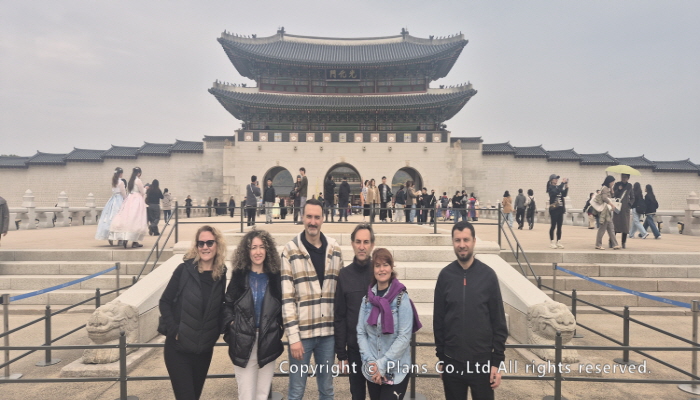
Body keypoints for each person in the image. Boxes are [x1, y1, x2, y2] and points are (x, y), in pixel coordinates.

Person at [434, 221, 508, 400]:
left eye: (466, 240)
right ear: (453, 242)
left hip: (482, 363)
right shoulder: (445, 276)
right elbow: (439, 321)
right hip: (452, 362)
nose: (462, 245)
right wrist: (442, 358)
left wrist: (497, 362)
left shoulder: (488, 275)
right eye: (457, 240)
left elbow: (498, 322)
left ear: (474, 241)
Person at [281, 199, 343, 400]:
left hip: (328, 334)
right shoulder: (290, 250)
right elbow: (287, 299)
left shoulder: (335, 249)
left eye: (317, 217)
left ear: (323, 218)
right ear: (302, 217)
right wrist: (293, 338)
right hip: (303, 335)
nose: (313, 222)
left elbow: (340, 294)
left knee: (327, 389)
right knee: (296, 391)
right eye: (309, 216)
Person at [159, 225, 227, 400]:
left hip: (203, 350)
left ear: (217, 245)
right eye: (200, 243)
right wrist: (175, 331)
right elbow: (165, 302)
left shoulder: (221, 273)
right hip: (178, 349)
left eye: (209, 243)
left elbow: (220, 306)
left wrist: (215, 333)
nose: (205, 247)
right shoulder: (184, 270)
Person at [223, 230, 283, 400]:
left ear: (268, 249)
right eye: (253, 247)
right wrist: (232, 325)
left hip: (268, 340)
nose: (258, 252)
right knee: (246, 394)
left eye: (261, 247)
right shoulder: (239, 276)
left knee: (263, 394)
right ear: (246, 251)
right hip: (243, 342)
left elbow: (282, 308)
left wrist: (278, 327)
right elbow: (227, 305)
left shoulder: (275, 278)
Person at [357, 247, 422, 400]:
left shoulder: (401, 299)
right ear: (373, 269)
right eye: (377, 265)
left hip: (396, 370)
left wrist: (382, 365)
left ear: (391, 268)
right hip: (372, 369)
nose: (382, 269)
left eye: (385, 265)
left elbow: (404, 336)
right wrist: (372, 364)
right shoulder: (367, 300)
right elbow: (361, 332)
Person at [335, 224, 376, 400]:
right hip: (354, 350)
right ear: (352, 243)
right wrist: (341, 354)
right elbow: (340, 316)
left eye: (366, 242)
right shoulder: (344, 275)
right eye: (358, 242)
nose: (362, 246)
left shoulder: (380, 273)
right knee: (357, 395)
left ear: (372, 245)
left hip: (377, 351)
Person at [109, 167, 147, 248]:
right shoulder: (138, 180)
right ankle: (134, 241)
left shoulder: (131, 180)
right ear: (139, 173)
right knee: (137, 219)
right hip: (137, 199)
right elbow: (142, 191)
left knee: (129, 218)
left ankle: (125, 237)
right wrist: (146, 189)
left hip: (130, 198)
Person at [95, 167, 126, 245]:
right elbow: (123, 192)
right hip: (119, 199)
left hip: (112, 200)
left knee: (110, 217)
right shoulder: (121, 182)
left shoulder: (114, 181)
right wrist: (126, 199)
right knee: (120, 218)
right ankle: (120, 239)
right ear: (120, 174)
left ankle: (110, 236)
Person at [593, 176, 620, 250]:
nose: (613, 183)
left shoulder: (607, 189)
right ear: (609, 182)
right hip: (605, 211)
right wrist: (611, 205)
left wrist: (612, 191)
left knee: (611, 228)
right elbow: (604, 198)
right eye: (612, 182)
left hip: (607, 211)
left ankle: (615, 244)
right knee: (602, 228)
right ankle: (598, 244)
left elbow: (611, 197)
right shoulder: (605, 188)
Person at [612, 173, 634, 249]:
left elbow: (632, 197)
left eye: (625, 177)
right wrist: (618, 189)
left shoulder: (629, 186)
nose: (623, 178)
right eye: (622, 177)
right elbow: (613, 195)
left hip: (625, 209)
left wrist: (629, 204)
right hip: (617, 207)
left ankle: (623, 242)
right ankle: (612, 241)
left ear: (628, 178)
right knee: (615, 225)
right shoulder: (617, 184)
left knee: (625, 226)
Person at [547, 174, 569, 249]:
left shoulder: (558, 187)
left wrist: (566, 185)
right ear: (551, 180)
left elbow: (564, 194)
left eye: (557, 179)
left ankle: (558, 241)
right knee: (553, 226)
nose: (556, 180)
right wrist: (562, 183)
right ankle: (552, 242)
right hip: (554, 209)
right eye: (555, 179)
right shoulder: (550, 187)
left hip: (560, 209)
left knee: (559, 226)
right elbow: (555, 192)